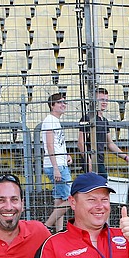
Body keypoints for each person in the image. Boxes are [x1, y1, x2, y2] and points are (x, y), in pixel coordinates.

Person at [78, 87, 129, 177]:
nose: (104, 102)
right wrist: (88, 161)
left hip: (100, 159)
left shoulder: (104, 121)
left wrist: (127, 158)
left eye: (106, 100)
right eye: (101, 100)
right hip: (91, 160)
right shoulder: (88, 118)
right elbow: (80, 143)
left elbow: (110, 144)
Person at [40, 92, 72, 232]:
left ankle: (58, 231)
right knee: (71, 198)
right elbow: (50, 145)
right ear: (52, 105)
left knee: (60, 199)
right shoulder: (50, 121)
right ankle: (46, 226)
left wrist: (65, 155)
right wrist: (56, 168)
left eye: (64, 102)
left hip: (59, 162)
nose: (63, 105)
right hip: (56, 165)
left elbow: (57, 144)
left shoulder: (54, 121)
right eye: (59, 102)